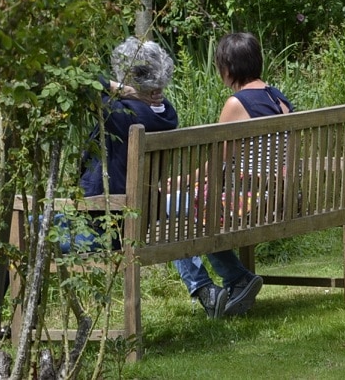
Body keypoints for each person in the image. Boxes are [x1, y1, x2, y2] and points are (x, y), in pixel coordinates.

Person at [174, 31, 294, 319]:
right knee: (197, 207)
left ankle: (206, 287)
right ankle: (237, 279)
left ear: (226, 68)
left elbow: (218, 162)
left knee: (176, 206)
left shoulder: (236, 103)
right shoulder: (278, 97)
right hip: (281, 195)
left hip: (255, 200)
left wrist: (183, 182)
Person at [66, 37, 179, 250]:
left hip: (105, 227)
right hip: (135, 220)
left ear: (131, 77)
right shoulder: (167, 113)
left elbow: (77, 80)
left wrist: (118, 88)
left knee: (26, 230)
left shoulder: (122, 114)